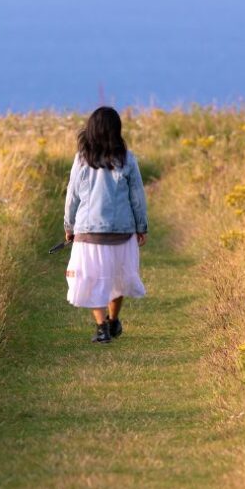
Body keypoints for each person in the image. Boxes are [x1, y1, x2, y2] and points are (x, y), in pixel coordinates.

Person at [63, 106, 148, 344]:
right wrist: (142, 226)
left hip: (89, 231)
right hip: (121, 231)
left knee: (92, 278)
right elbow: (137, 196)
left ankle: (102, 327)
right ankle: (113, 320)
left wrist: (69, 226)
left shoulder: (81, 159)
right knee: (118, 277)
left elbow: (72, 196)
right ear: (116, 130)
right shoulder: (127, 158)